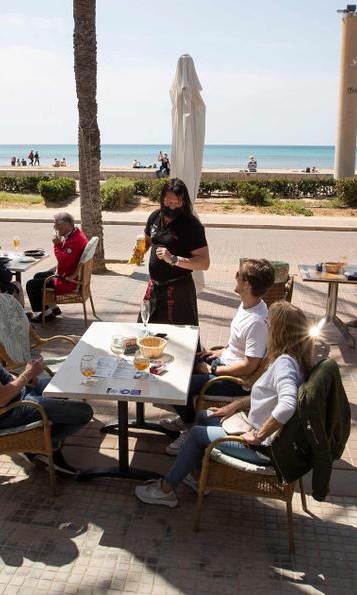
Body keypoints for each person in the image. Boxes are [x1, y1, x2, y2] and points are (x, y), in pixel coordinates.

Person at [135, 302, 311, 507]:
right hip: (255, 428)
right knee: (204, 417)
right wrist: (236, 405)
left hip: (263, 448)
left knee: (196, 434)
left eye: (268, 323)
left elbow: (287, 405)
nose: (265, 326)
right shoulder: (294, 358)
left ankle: (166, 490)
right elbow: (269, 396)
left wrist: (257, 435)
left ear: (279, 331)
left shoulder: (284, 365)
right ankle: (200, 478)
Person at [0, 289, 93, 474]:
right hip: (6, 412)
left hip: (15, 392)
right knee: (84, 412)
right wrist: (26, 375)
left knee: (64, 387)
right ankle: (46, 446)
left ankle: (40, 444)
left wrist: (23, 378)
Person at [159, 259, 275, 454]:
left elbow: (249, 366)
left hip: (235, 380)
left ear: (246, 284)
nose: (235, 276)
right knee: (173, 364)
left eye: (239, 274)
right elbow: (239, 346)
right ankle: (187, 418)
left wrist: (213, 369)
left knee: (177, 385)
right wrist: (219, 352)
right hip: (223, 361)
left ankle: (189, 427)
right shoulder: (248, 304)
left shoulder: (257, 321)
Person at [142, 178, 209, 325]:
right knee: (147, 335)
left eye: (176, 203)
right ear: (162, 199)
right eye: (168, 202)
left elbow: (204, 262)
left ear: (183, 201)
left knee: (179, 340)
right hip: (155, 288)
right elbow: (148, 240)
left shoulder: (192, 226)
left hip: (179, 292)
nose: (172, 207)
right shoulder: (154, 217)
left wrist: (173, 259)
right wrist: (140, 250)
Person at [26, 212, 88, 321]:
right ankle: (53, 308)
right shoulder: (75, 234)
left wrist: (57, 244)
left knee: (31, 285)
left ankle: (47, 314)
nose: (54, 228)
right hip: (68, 272)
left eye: (56, 225)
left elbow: (63, 261)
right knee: (38, 275)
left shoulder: (75, 240)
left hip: (69, 280)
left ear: (63, 226)